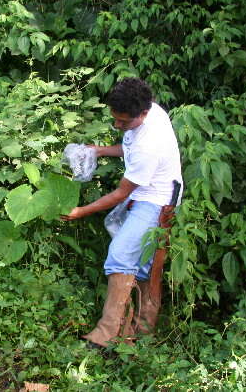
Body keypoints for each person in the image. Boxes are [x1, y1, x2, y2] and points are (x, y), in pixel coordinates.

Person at [61, 77, 183, 347]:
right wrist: (100, 150)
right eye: (115, 119)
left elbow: (120, 193)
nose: (118, 126)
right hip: (144, 191)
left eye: (124, 122)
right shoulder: (149, 113)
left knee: (120, 256)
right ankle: (137, 333)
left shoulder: (148, 146)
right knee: (142, 265)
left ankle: (106, 335)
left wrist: (80, 211)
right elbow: (128, 148)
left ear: (143, 112)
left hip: (157, 199)